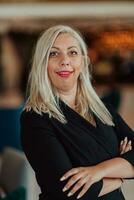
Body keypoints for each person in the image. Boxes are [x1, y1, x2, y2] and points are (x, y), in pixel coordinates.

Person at [20, 25, 134, 200]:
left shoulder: (102, 109)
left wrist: (98, 171)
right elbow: (69, 191)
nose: (65, 60)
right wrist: (119, 175)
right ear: (42, 63)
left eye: (72, 52)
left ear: (84, 61)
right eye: (54, 53)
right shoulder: (35, 118)